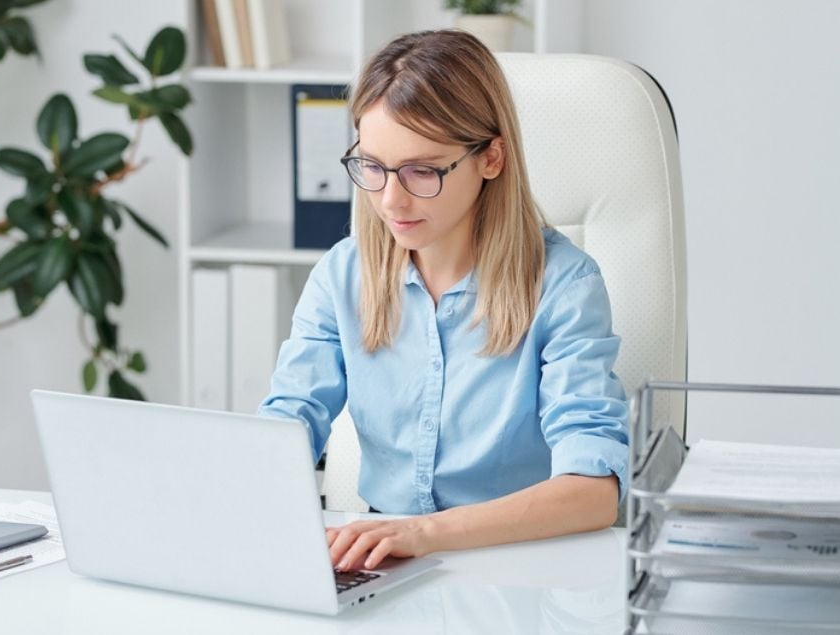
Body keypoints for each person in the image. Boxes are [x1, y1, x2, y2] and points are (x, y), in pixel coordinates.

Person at [257, 29, 628, 573]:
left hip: (520, 565)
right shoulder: (343, 275)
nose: (390, 199)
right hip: (385, 563)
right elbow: (287, 424)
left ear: (492, 158)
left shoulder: (564, 285)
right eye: (373, 166)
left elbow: (595, 491)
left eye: (421, 171)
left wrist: (424, 534)